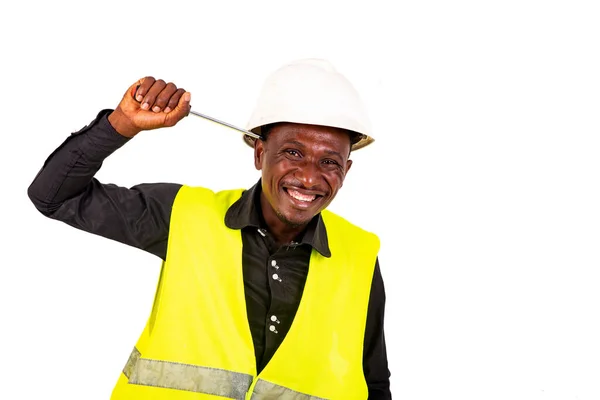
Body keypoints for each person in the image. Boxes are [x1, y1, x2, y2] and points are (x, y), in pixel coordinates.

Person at [28, 58, 391, 399]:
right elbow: (53, 196)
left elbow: (372, 379)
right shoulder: (185, 216)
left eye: (329, 161)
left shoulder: (358, 255)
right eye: (292, 153)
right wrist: (121, 124)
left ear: (346, 171)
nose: (310, 176)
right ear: (259, 154)